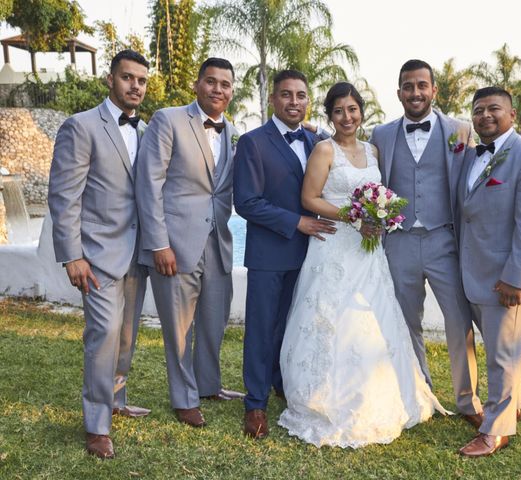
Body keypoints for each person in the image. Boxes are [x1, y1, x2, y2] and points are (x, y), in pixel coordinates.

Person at [278, 82, 449, 448]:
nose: (347, 117)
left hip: (368, 250)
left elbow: (382, 196)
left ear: (361, 112)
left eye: (352, 109)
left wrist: (377, 215)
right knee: (331, 319)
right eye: (338, 110)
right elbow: (308, 198)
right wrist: (351, 215)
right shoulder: (324, 150)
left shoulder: (373, 151)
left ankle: (388, 391)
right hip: (334, 246)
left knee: (373, 316)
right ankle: (321, 396)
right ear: (330, 115)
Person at [48, 49, 151, 459]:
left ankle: (117, 399)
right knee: (103, 336)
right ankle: (96, 425)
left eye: (141, 81)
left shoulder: (145, 132)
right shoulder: (82, 126)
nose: (135, 86)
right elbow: (64, 195)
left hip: (137, 254)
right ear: (110, 79)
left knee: (126, 336)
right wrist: (72, 255)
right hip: (96, 253)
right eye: (127, 78)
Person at [369, 59, 483, 422]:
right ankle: (420, 393)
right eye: (408, 86)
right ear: (399, 92)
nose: (415, 92)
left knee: (458, 321)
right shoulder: (380, 135)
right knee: (406, 322)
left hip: (444, 241)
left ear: (434, 90)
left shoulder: (460, 131)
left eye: (422, 85)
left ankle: (468, 401)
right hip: (398, 242)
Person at [135, 57, 243, 429]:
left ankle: (209, 385)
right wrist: (158, 243)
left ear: (232, 90)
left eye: (225, 84)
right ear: (197, 85)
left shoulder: (231, 130)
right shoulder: (168, 120)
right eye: (211, 82)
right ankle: (184, 398)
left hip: (217, 242)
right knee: (179, 329)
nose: (218, 89)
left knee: (215, 319)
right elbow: (149, 185)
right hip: (175, 244)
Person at [233, 70, 336, 439]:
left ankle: (281, 382)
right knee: (262, 328)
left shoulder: (317, 140)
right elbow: (246, 202)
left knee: (293, 323)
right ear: (273, 100)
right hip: (269, 252)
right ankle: (255, 403)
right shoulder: (252, 142)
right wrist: (297, 223)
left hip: (311, 254)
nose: (294, 102)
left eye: (301, 95)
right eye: (287, 95)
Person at [456, 86, 521, 457]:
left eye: (494, 109)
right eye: (478, 110)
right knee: (505, 350)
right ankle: (514, 406)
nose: (485, 116)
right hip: (474, 273)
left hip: (505, 278)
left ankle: (496, 431)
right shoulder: (472, 156)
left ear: (512, 115)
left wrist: (517, 277)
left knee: (501, 356)